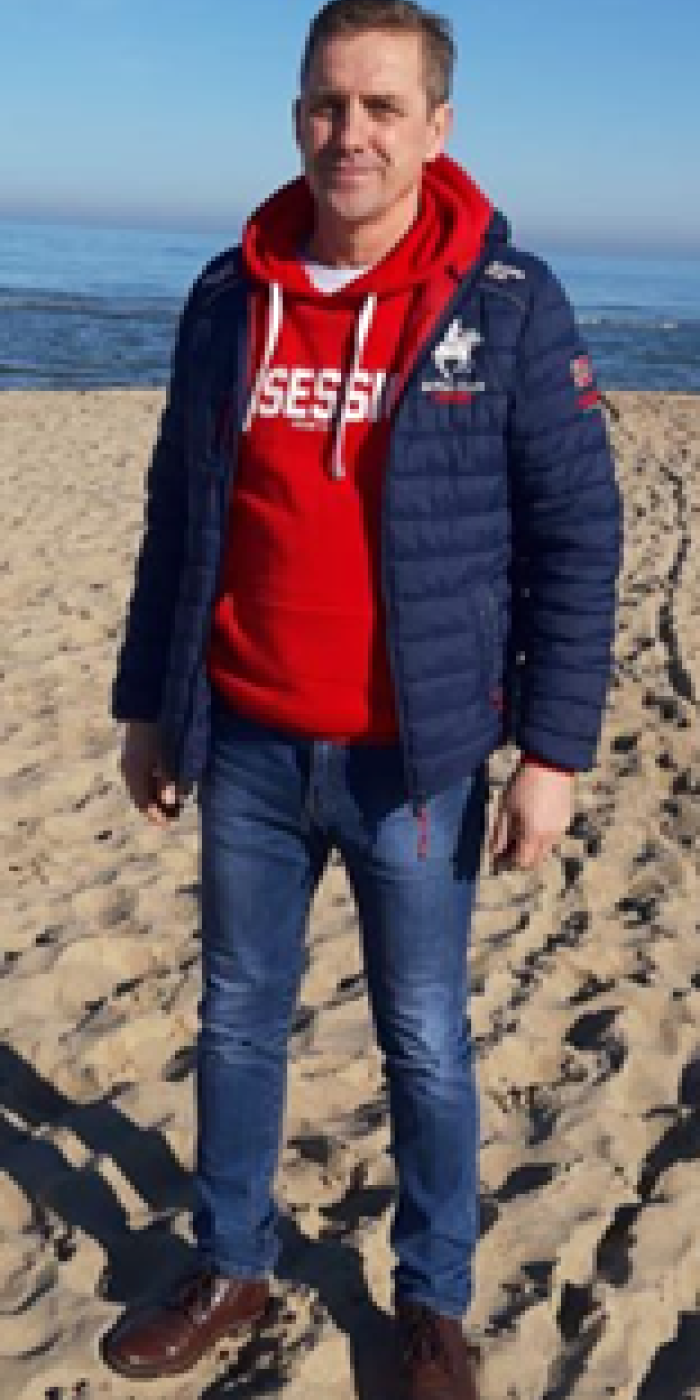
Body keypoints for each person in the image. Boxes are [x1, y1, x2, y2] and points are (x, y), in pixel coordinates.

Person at [102, 2, 621, 1394]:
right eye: (330, 103)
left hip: (419, 757)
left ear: (436, 127)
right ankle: (232, 1261)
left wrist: (553, 753)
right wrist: (150, 705)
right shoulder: (229, 295)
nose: (353, 132)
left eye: (384, 106)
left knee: (426, 1042)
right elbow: (179, 515)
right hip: (249, 740)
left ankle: (433, 1300)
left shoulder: (508, 302)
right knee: (235, 1018)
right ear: (297, 117)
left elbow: (579, 534)